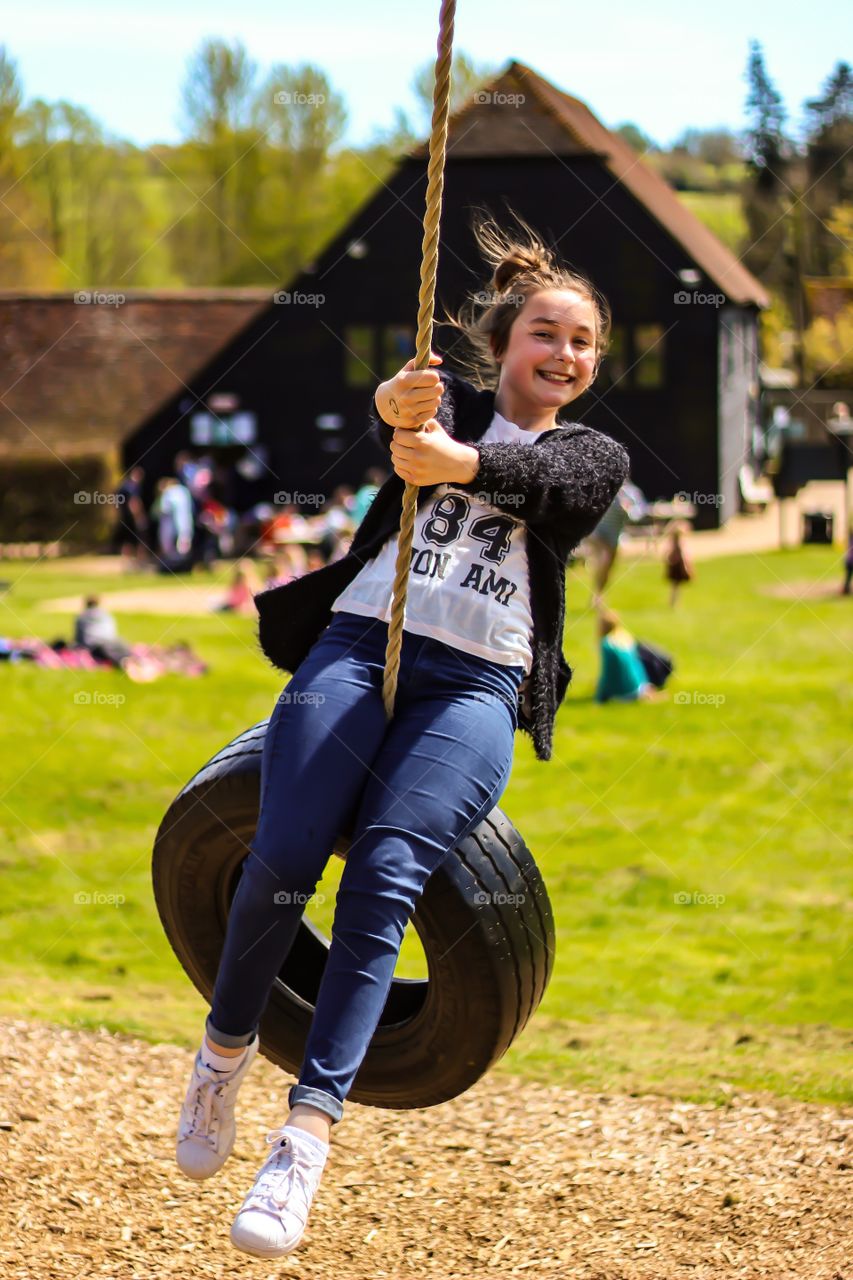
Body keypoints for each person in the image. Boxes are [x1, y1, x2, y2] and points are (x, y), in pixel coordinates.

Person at [174, 211, 630, 1259]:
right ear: (507, 343)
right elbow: (399, 403)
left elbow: (551, 493)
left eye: (582, 344)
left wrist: (454, 459)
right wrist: (397, 408)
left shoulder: (587, 454)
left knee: (385, 872)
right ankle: (220, 1055)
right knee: (283, 852)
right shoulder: (450, 402)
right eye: (546, 336)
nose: (564, 356)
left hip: (476, 680)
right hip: (359, 642)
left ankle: (304, 1139)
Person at [594, 608, 659, 703]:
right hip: (640, 687)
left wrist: (599, 697)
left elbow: (608, 673)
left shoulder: (607, 645)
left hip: (625, 694)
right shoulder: (625, 638)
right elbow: (637, 666)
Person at [73, 595, 131, 668]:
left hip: (96, 645)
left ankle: (122, 662)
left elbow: (79, 638)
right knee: (121, 649)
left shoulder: (81, 617)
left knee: (108, 653)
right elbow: (112, 631)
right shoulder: (107, 615)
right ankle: (129, 660)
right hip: (113, 640)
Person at [663, 519, 693, 607]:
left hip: (677, 563)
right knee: (675, 586)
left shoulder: (678, 541)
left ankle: (674, 602)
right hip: (676, 564)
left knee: (676, 586)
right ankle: (674, 603)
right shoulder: (675, 542)